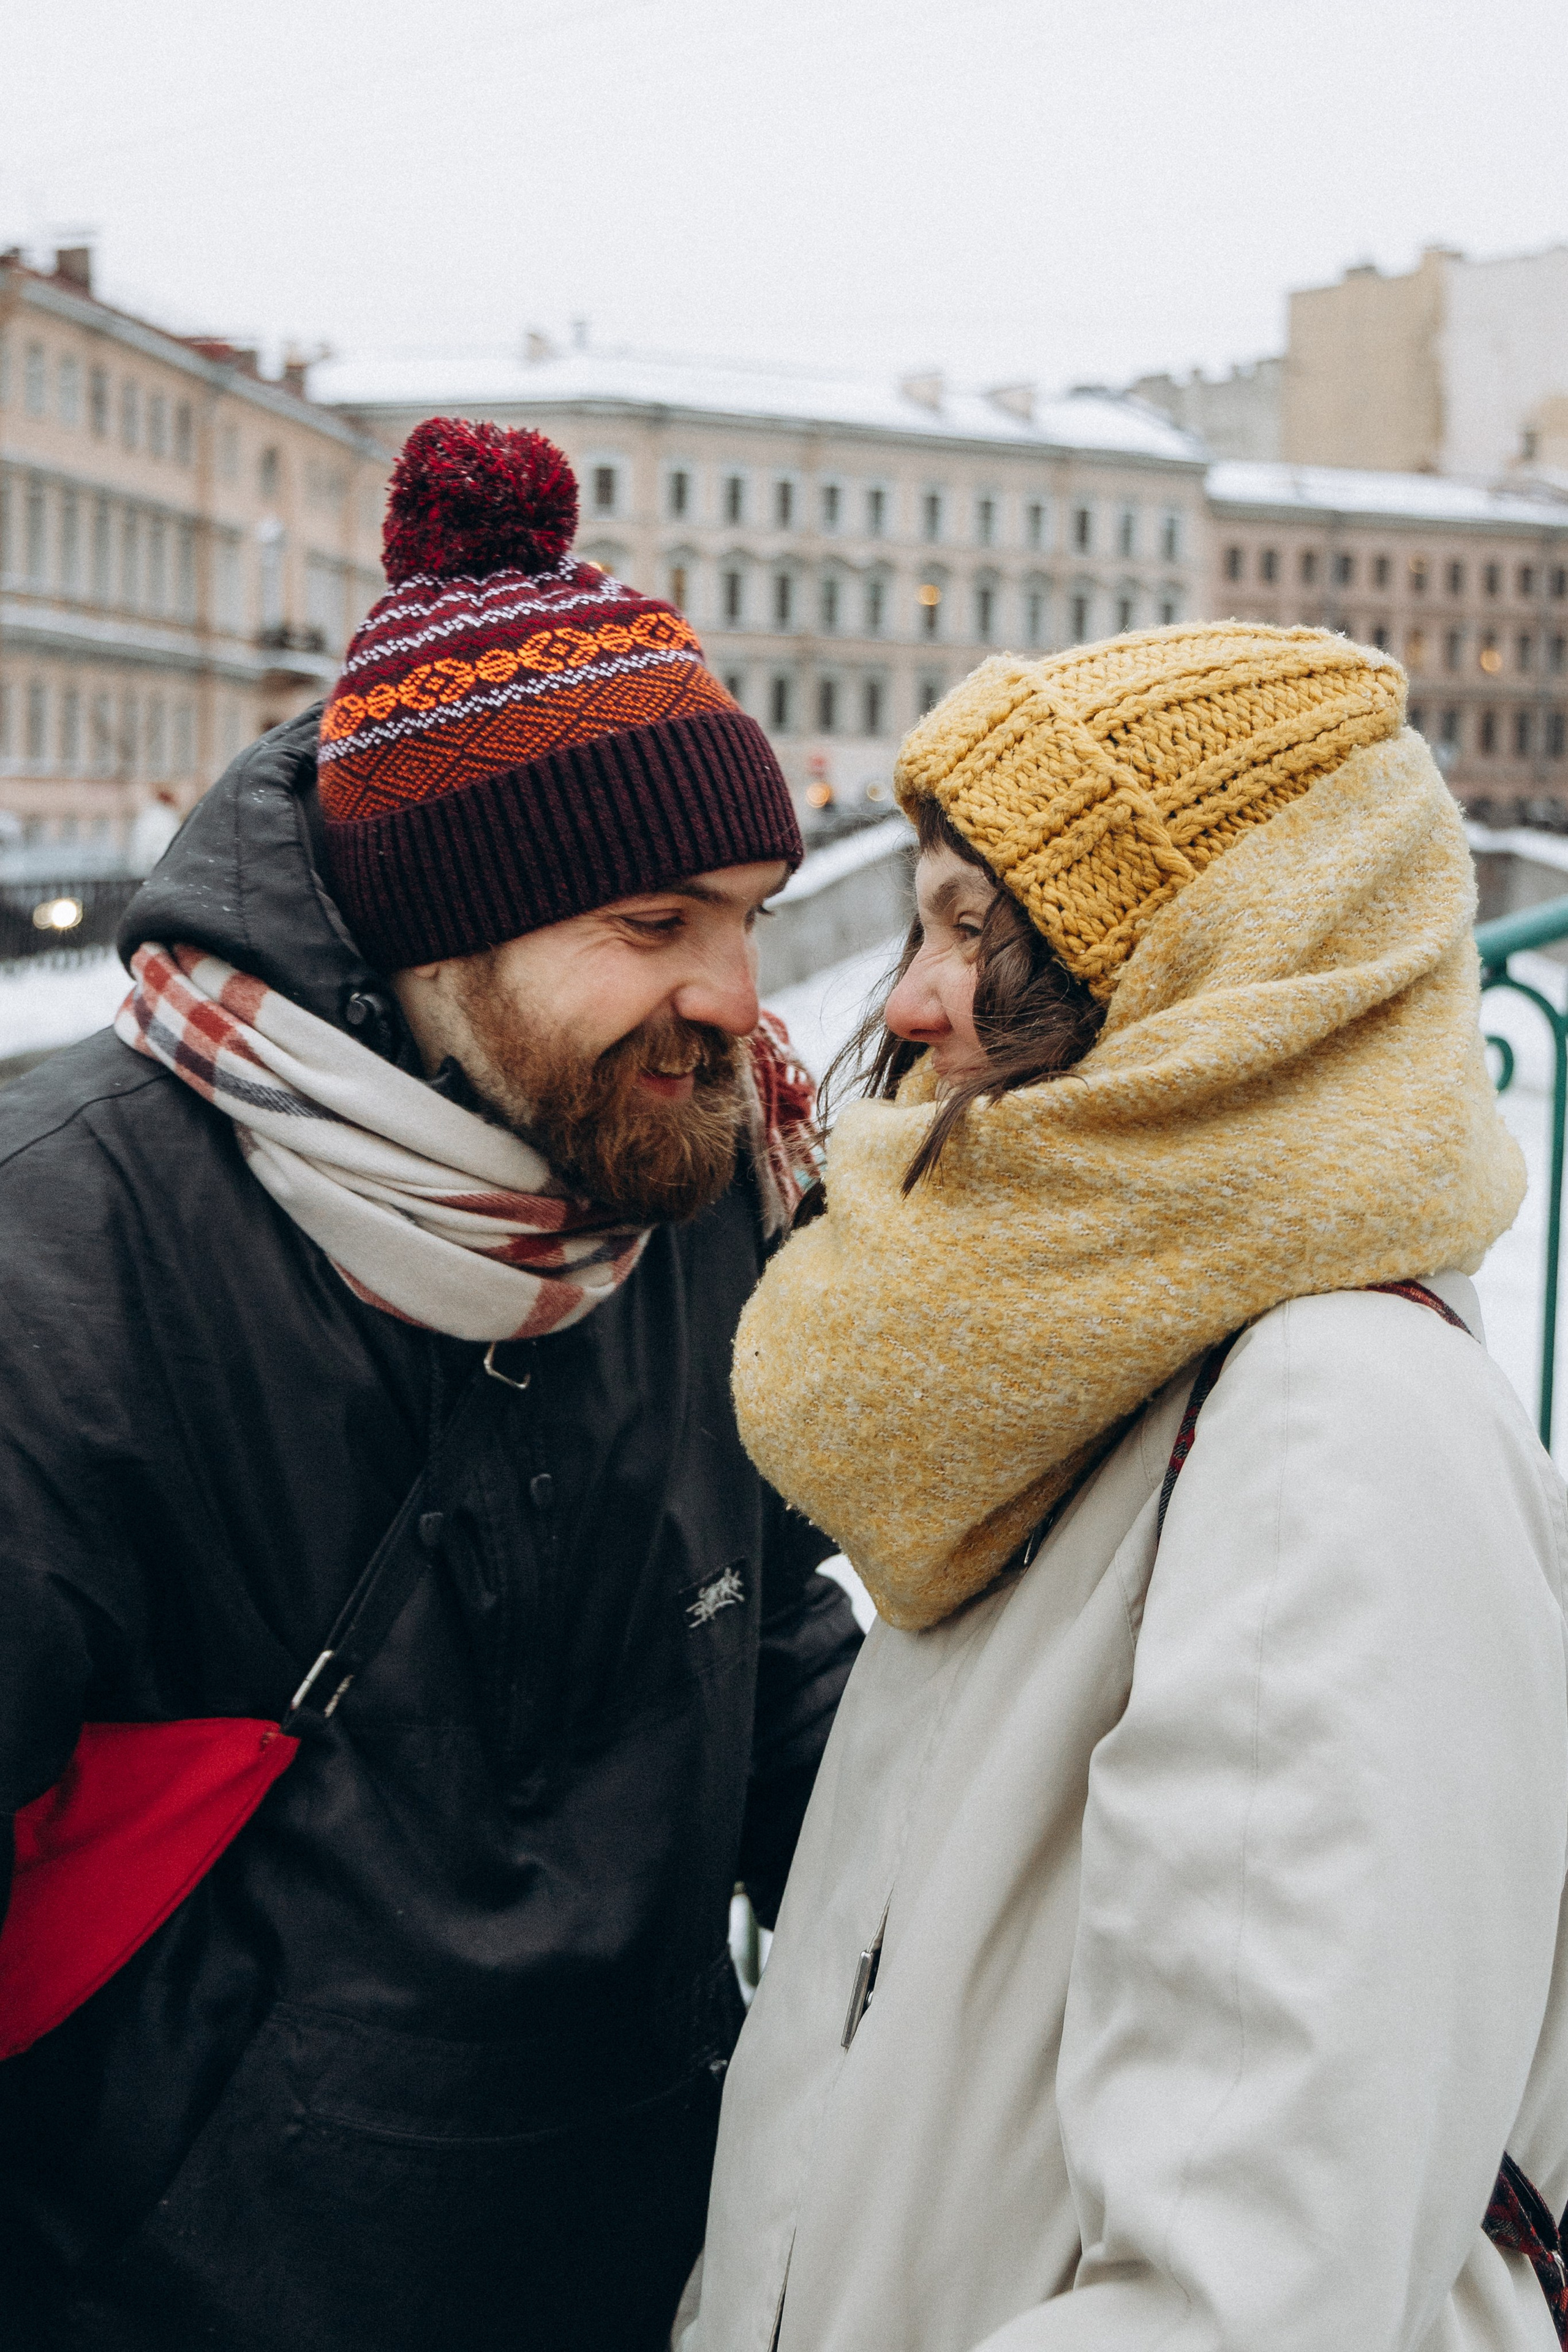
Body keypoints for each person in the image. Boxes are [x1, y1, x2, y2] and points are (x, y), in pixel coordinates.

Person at [0, 418, 859, 2352]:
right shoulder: (63, 1263)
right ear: (436, 936)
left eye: (746, 917)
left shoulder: (689, 1173)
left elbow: (762, 1618)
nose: (735, 995)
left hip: (661, 2266)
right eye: (655, 925)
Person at [689, 624, 1568, 2352]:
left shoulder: (1326, 1423)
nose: (913, 1000)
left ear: (1209, 962)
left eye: (971, 926)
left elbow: (1247, 2297)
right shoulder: (1107, 1357)